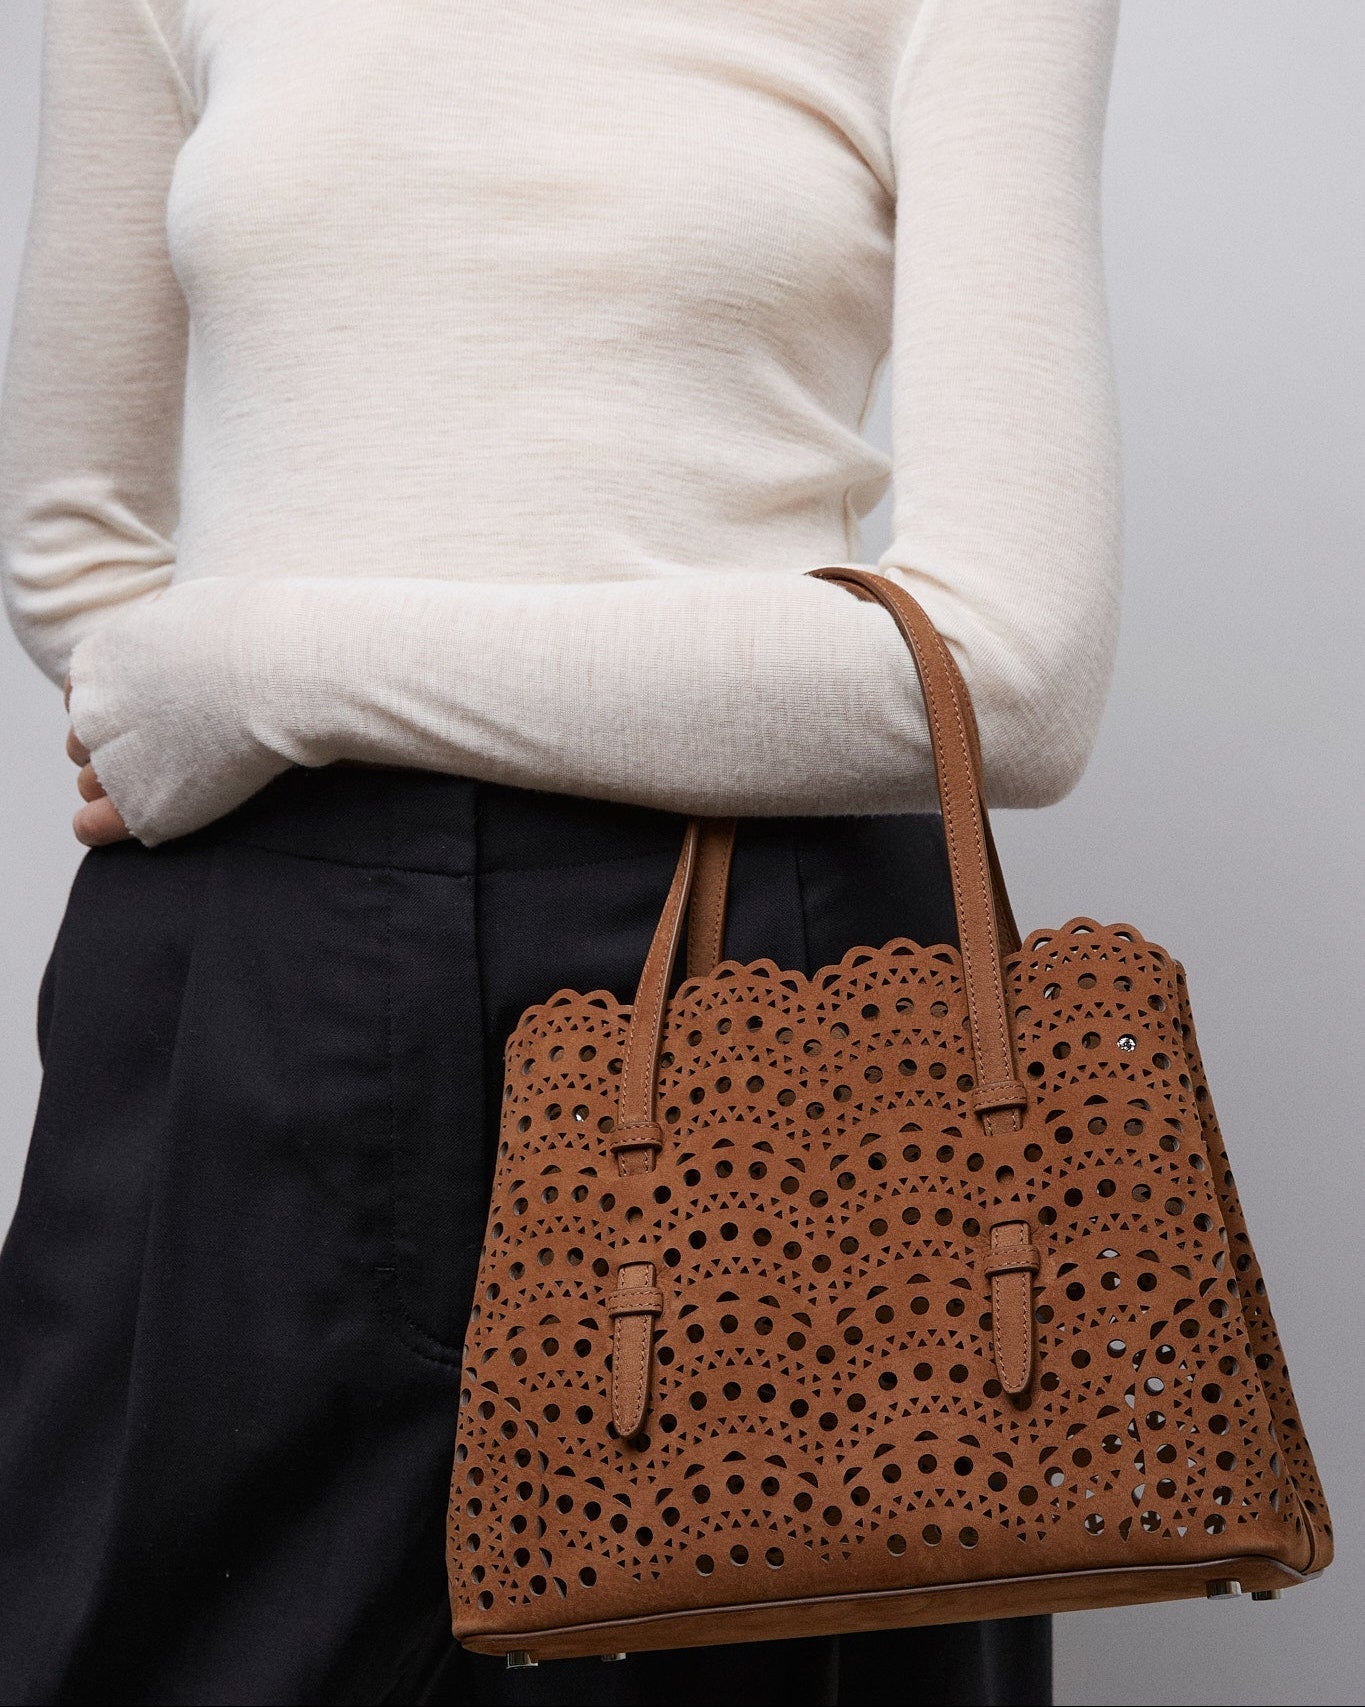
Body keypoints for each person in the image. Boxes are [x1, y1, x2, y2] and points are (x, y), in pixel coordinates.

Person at [0, 1, 1122, 1701]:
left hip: (773, 980)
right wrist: (226, 709)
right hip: (248, 967)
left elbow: (1010, 679)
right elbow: (76, 538)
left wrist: (275, 674)